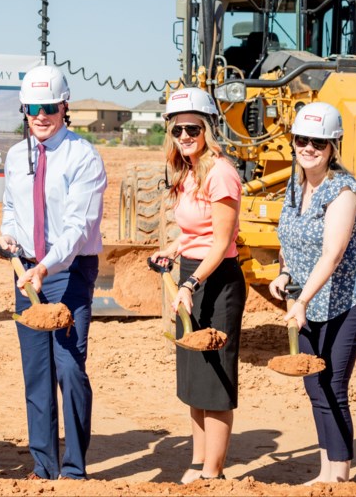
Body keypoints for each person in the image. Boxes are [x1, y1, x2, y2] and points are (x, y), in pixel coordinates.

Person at [0, 64, 107, 480]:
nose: (40, 116)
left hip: (69, 270)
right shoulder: (14, 155)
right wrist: (9, 238)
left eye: (49, 107)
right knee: (36, 371)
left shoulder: (83, 156)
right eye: (31, 108)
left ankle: (75, 468)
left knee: (69, 366)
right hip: (25, 271)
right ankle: (44, 466)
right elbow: (11, 208)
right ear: (23, 110)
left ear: (65, 107)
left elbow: (78, 230)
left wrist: (44, 267)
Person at [268, 102, 356, 485]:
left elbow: (331, 255)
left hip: (347, 297)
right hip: (307, 298)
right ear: (293, 141)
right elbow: (291, 238)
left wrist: (299, 301)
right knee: (314, 382)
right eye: (302, 139)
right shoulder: (294, 185)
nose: (309, 147)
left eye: (319, 141)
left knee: (332, 382)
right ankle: (325, 472)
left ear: (333, 146)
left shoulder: (343, 190)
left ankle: (341, 475)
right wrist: (284, 273)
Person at [150, 86, 244, 483]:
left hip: (216, 281)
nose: (184, 136)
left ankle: (213, 471)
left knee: (215, 378)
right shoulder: (189, 170)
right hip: (193, 271)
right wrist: (173, 249)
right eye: (177, 129)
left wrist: (189, 283)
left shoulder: (221, 173)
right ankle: (198, 461)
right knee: (193, 377)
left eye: (192, 128)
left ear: (208, 128)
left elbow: (221, 242)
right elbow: (196, 231)